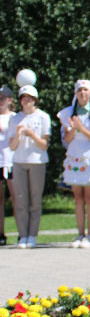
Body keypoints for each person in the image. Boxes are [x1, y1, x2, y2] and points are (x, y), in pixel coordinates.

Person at [58, 80, 90, 247]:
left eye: (85, 90)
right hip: (74, 156)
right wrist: (74, 128)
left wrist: (81, 127)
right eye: (79, 90)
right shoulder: (67, 114)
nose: (82, 93)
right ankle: (80, 234)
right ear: (76, 93)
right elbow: (66, 139)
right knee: (78, 198)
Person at [8, 83, 51, 248]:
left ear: (35, 100)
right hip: (19, 161)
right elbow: (12, 146)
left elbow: (44, 145)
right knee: (20, 200)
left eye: (30, 98)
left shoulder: (43, 117)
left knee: (35, 200)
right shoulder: (15, 118)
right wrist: (18, 133)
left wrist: (32, 134)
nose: (27, 101)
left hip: (37, 161)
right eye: (24, 98)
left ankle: (32, 234)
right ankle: (23, 235)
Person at [0, 85, 15, 246]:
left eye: (4, 98)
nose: (1, 101)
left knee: (17, 199)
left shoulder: (14, 117)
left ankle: (22, 233)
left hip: (10, 161)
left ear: (10, 100)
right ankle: (1, 234)